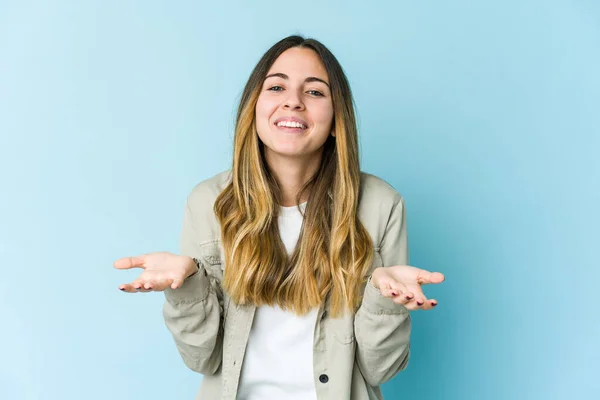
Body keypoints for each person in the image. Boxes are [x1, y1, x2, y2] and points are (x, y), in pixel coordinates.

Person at [114, 35, 445, 400]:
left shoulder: (381, 205)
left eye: (315, 92)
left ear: (337, 120)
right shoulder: (208, 202)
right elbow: (202, 359)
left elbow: (380, 369)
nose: (293, 101)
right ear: (254, 108)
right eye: (276, 86)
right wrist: (188, 288)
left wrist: (384, 300)